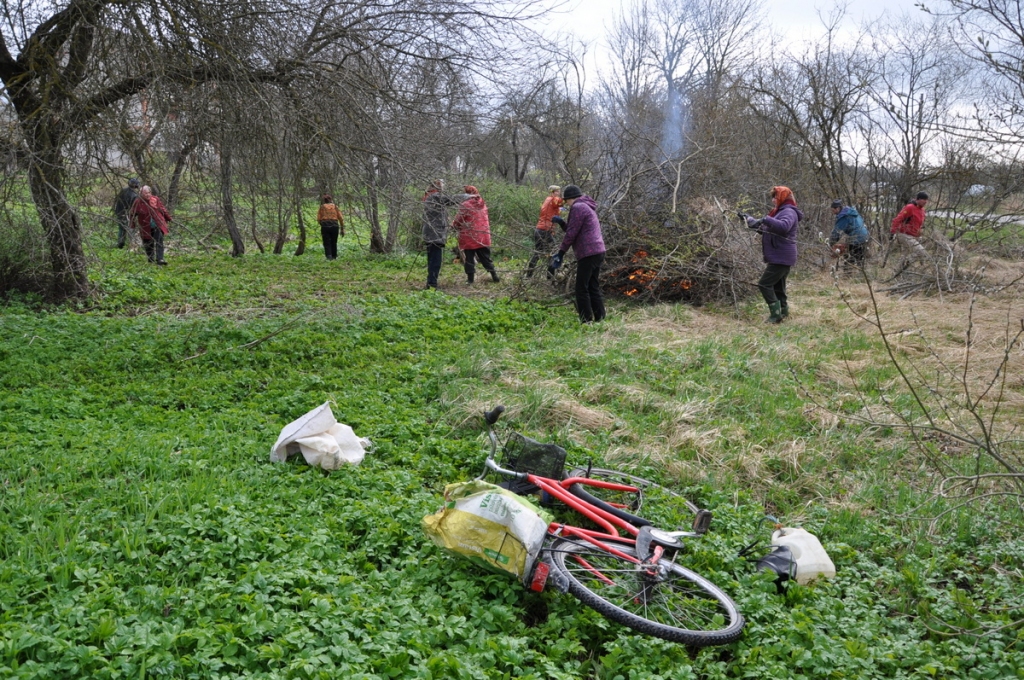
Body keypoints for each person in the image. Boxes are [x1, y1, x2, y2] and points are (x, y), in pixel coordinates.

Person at [742, 186, 803, 324]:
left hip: (782, 256)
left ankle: (776, 315)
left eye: (775, 197)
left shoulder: (788, 212)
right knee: (778, 286)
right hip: (780, 256)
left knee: (764, 284)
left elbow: (783, 227)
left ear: (783, 197)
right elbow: (766, 229)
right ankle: (784, 312)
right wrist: (749, 220)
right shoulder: (778, 212)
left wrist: (765, 219)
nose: (773, 200)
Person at [550, 185, 606, 323]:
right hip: (598, 250)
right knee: (592, 285)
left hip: (588, 252)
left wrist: (561, 253)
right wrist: (562, 222)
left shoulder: (578, 207)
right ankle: (600, 317)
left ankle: (586, 320)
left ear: (570, 199)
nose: (566, 204)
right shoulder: (586, 206)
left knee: (581, 288)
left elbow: (571, 234)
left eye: (566, 201)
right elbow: (573, 228)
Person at [421, 179, 469, 289]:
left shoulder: (429, 196)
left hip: (431, 233)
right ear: (437, 187)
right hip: (435, 234)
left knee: (432, 259)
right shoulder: (434, 196)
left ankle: (431, 282)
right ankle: (432, 284)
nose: (443, 188)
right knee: (435, 261)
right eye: (442, 186)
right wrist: (468, 196)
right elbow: (451, 199)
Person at [452, 186, 500, 284]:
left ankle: (470, 280)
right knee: (486, 258)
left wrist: (453, 226)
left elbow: (459, 220)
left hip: (469, 236)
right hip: (483, 235)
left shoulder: (465, 205)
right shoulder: (483, 204)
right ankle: (494, 275)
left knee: (469, 259)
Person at [527, 185, 563, 277]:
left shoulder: (548, 200)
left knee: (538, 252)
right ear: (552, 192)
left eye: (559, 191)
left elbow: (557, 208)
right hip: (545, 230)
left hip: (540, 229)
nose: (559, 193)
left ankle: (528, 275)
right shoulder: (553, 200)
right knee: (554, 251)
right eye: (557, 191)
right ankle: (550, 277)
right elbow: (562, 202)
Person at [129, 185, 171, 264]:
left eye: (149, 193)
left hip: (158, 224)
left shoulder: (155, 199)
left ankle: (160, 259)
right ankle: (150, 259)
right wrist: (132, 224)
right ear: (141, 194)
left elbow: (162, 209)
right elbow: (132, 214)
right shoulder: (138, 202)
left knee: (159, 241)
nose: (148, 195)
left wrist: (168, 218)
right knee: (148, 242)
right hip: (145, 226)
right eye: (145, 193)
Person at [890, 191, 930, 265]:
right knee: (921, 251)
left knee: (904, 255)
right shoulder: (910, 207)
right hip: (904, 234)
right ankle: (908, 262)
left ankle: (897, 272)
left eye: (927, 200)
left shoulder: (923, 210)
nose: (926, 201)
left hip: (914, 236)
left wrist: (920, 233)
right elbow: (897, 219)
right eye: (924, 199)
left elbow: (920, 224)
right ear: (918, 199)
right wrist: (892, 232)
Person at [828, 199, 869, 269]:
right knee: (860, 257)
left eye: (833, 210)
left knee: (849, 256)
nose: (832, 212)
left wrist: (829, 244)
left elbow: (836, 233)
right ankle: (862, 273)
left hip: (857, 237)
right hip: (865, 235)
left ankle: (847, 275)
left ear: (837, 208)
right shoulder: (852, 211)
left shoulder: (843, 217)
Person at [112, 178, 140, 248]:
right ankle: (131, 244)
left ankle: (121, 243)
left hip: (119, 212)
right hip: (127, 214)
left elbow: (116, 201)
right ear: (136, 186)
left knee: (122, 228)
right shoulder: (134, 195)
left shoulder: (123, 190)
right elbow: (133, 207)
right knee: (130, 229)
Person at [317, 194, 344, 261]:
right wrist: (342, 228)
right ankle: (334, 256)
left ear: (324, 201)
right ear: (331, 200)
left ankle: (329, 256)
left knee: (326, 242)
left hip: (325, 225)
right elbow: (340, 217)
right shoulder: (335, 207)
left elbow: (318, 218)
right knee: (334, 241)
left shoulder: (322, 207)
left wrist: (322, 224)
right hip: (334, 225)